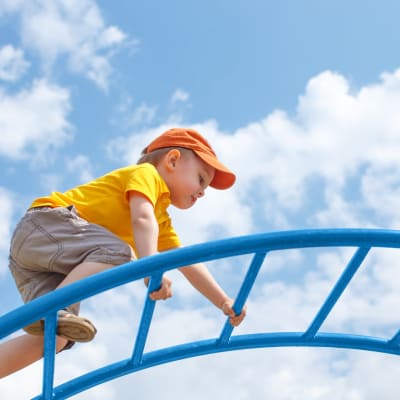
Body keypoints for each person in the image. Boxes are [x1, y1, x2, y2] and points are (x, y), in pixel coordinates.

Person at [0, 127, 246, 378]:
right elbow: (141, 218)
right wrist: (151, 267)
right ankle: (54, 307)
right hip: (46, 227)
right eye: (201, 179)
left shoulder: (160, 220)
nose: (203, 191)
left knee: (56, 336)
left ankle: (48, 316)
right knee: (120, 253)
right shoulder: (147, 175)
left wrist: (224, 301)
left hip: (40, 257)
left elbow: (186, 261)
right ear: (172, 160)